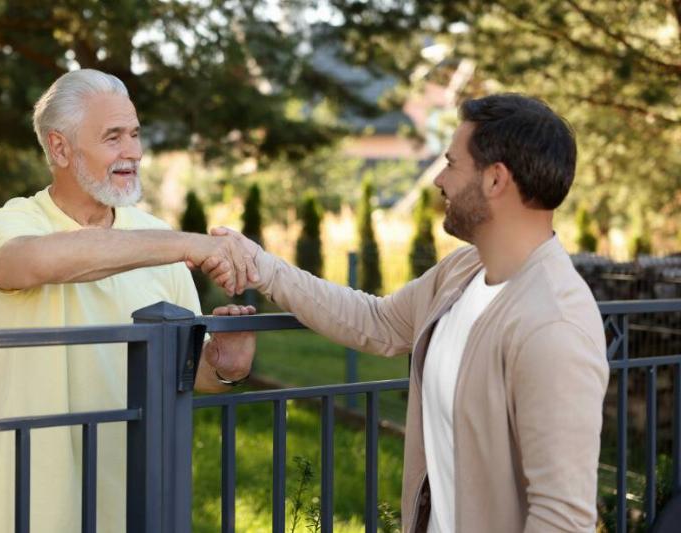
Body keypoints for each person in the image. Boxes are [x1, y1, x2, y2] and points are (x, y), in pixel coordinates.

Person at [211, 94, 609, 532]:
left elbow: (562, 519)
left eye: (452, 164)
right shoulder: (463, 272)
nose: (439, 179)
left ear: (496, 180)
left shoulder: (553, 327)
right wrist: (262, 267)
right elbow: (375, 322)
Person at [0, 69, 258, 533]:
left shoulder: (161, 239)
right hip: (35, 508)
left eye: (134, 134)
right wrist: (187, 246)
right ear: (60, 147)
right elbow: (28, 264)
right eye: (113, 137)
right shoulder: (13, 223)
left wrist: (225, 366)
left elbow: (188, 373)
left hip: (139, 508)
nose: (134, 152)